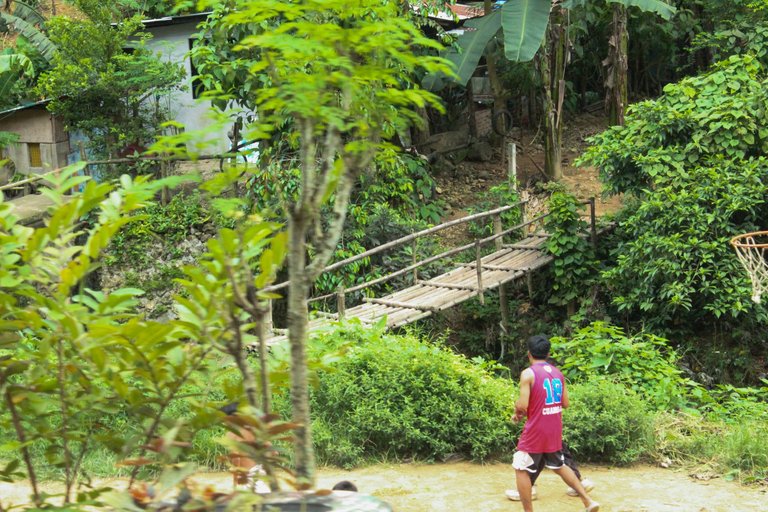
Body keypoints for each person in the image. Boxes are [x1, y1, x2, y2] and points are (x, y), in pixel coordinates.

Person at [508, 335, 600, 512]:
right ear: (548, 353)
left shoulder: (528, 374)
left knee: (520, 467)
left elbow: (523, 405)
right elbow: (565, 403)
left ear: (529, 354)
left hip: (536, 429)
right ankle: (588, 501)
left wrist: (517, 410)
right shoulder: (558, 373)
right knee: (559, 465)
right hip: (554, 427)